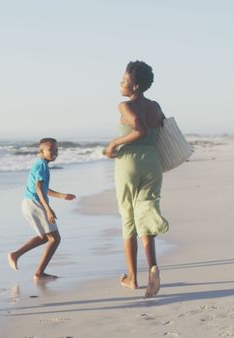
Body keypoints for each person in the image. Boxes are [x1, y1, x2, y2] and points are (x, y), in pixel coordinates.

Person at [104, 61, 169, 298]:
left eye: (124, 80)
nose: (121, 83)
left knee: (128, 218)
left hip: (129, 163)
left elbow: (139, 130)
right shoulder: (156, 106)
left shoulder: (124, 105)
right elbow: (157, 128)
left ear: (136, 85)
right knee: (147, 213)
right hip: (152, 163)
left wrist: (113, 143)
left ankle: (132, 278)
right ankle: (152, 267)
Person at [7, 138, 76, 280]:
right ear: (41, 151)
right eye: (51, 150)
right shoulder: (42, 165)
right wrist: (48, 209)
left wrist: (62, 196)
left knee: (46, 237)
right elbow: (39, 189)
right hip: (34, 203)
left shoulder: (41, 165)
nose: (55, 153)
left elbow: (43, 189)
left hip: (29, 203)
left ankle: (16, 255)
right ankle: (39, 273)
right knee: (55, 238)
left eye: (56, 150)